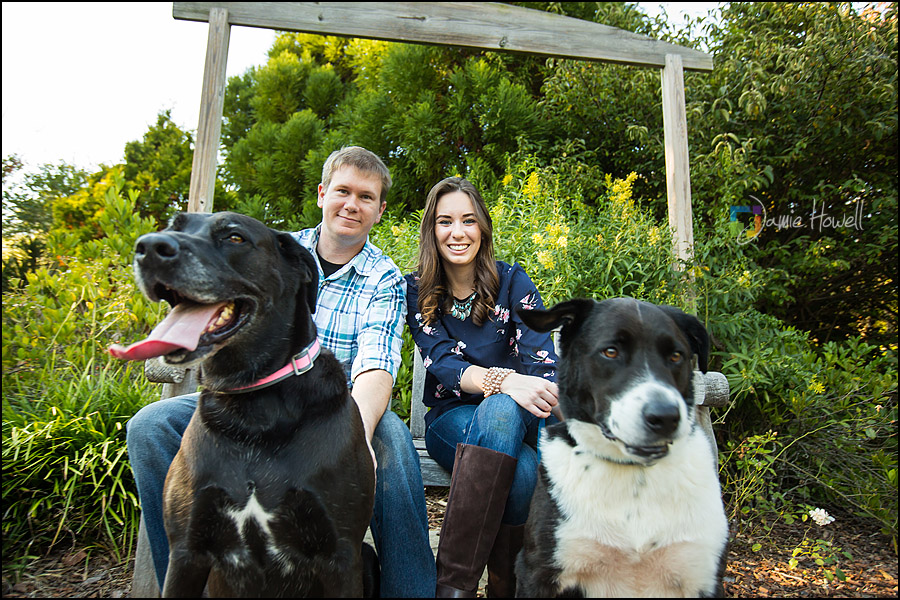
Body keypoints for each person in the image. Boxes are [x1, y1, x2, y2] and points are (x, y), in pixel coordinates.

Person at [126, 146, 437, 597]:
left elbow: (376, 365)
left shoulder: (382, 276)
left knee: (392, 442)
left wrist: (357, 438)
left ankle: (410, 590)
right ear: (322, 194)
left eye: (365, 197)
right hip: (241, 396)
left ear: (379, 210)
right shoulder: (272, 248)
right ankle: (194, 569)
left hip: (332, 406)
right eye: (343, 191)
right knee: (150, 425)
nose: (351, 204)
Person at [404, 177, 560, 597]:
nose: (458, 232)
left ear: (483, 228)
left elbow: (543, 366)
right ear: (432, 230)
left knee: (507, 415)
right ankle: (504, 588)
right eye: (445, 221)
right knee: (519, 465)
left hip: (524, 416)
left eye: (468, 220)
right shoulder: (417, 289)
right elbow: (445, 365)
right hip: (450, 419)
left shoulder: (512, 282)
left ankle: (453, 587)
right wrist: (504, 380)